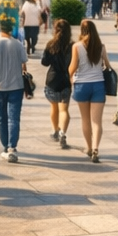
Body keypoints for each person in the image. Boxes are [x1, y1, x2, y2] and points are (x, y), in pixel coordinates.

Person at [0, 17, 30, 162]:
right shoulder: (18, 44)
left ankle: (5, 145)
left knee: (1, 117)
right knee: (14, 118)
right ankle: (12, 147)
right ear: (11, 28)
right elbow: (24, 65)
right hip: (16, 86)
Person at [68, 19, 112, 162]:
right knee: (97, 121)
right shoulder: (101, 46)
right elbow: (108, 66)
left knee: (85, 119)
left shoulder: (77, 46)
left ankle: (88, 147)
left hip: (81, 85)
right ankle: (95, 148)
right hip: (98, 84)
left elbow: (72, 68)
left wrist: (69, 78)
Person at [42, 19, 74, 149]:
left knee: (54, 107)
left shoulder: (51, 44)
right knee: (64, 109)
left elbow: (44, 62)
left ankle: (55, 130)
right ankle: (63, 133)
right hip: (65, 80)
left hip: (51, 80)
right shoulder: (72, 46)